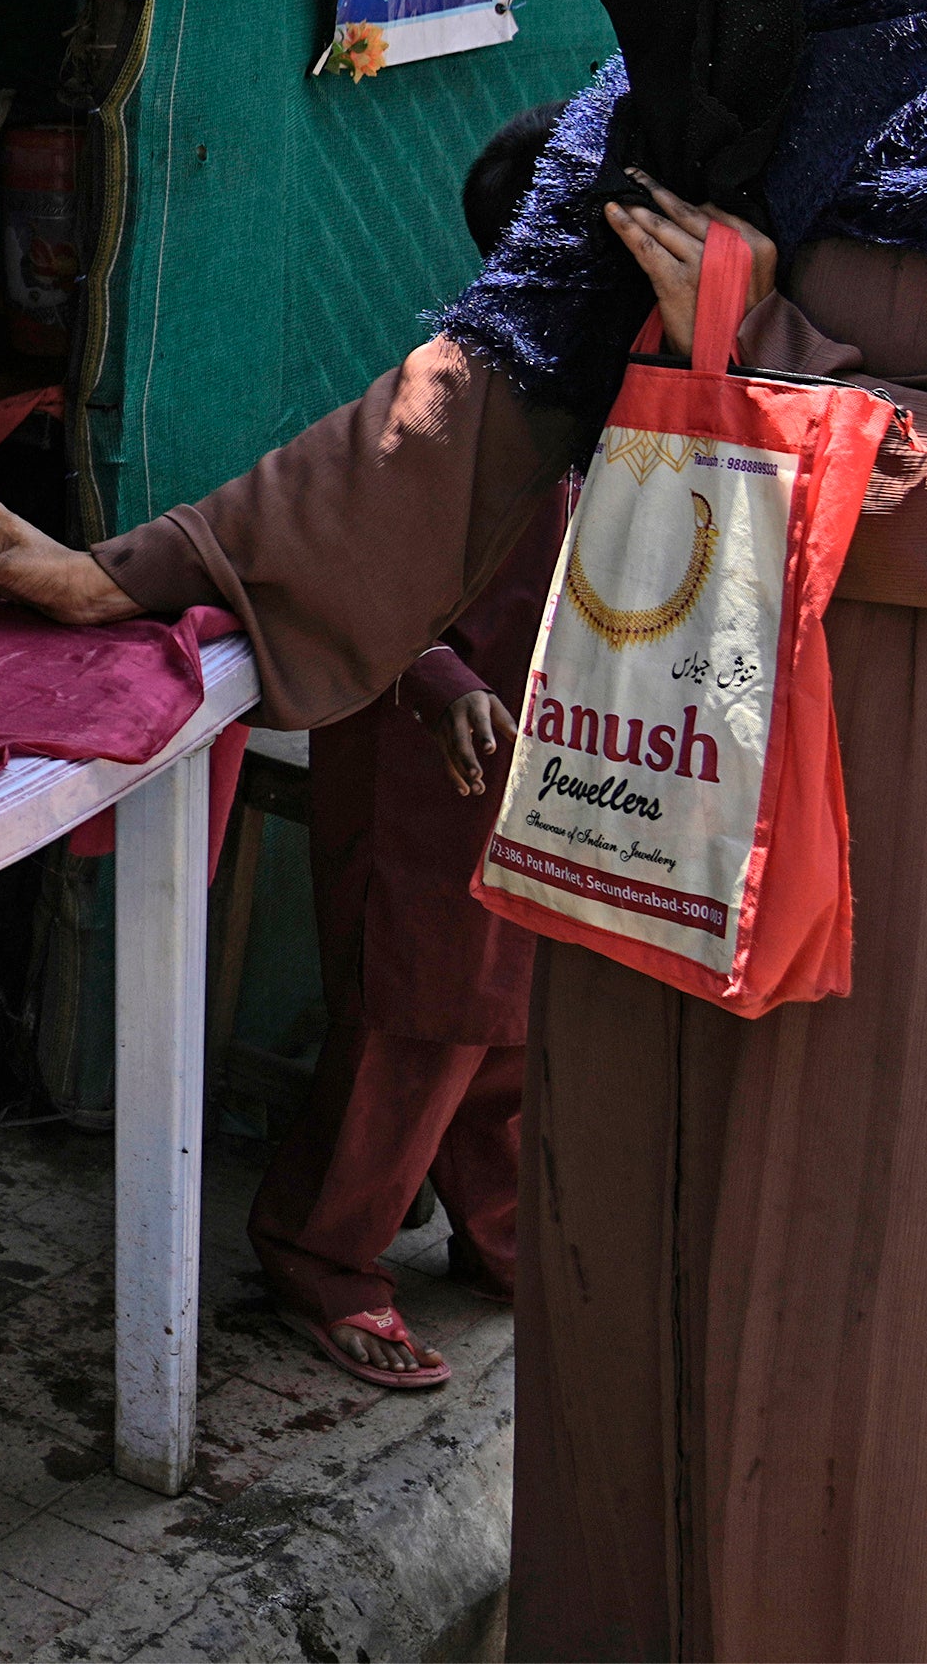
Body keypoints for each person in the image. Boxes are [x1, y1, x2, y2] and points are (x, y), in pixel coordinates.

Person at [0, 0, 927, 1658]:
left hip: (917, 878)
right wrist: (149, 564)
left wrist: (763, 359)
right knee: (626, 1278)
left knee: (864, 1315)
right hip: (664, 839)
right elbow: (457, 416)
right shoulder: (639, 134)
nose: (643, 17)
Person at [246, 101, 567, 1394]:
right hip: (420, 767)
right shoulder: (447, 393)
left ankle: (501, 1239)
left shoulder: (603, 395)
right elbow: (340, 574)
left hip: (531, 770)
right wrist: (435, 679)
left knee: (507, 1026)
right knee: (410, 1030)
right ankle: (320, 1258)